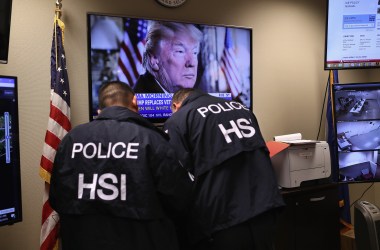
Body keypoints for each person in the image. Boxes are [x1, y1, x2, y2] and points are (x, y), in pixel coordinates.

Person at [49, 81, 192, 250]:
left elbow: (57, 198)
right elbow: (180, 200)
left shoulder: (71, 140)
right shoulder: (152, 140)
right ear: (135, 101)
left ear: (100, 110)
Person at [164, 88, 285, 250]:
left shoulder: (178, 119)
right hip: (265, 206)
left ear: (176, 106)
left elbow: (178, 174)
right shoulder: (242, 109)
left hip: (225, 217)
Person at [134, 21, 203, 93]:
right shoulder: (138, 100)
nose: (192, 63)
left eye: (195, 52)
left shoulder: (197, 99)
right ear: (154, 59)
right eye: (180, 51)